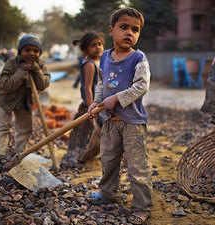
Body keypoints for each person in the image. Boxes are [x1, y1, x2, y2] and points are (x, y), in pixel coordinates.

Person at [87, 7, 152, 225]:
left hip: (132, 122)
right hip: (109, 122)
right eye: (123, 27)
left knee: (137, 165)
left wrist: (116, 99)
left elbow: (141, 86)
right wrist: (97, 102)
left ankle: (142, 206)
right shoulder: (104, 57)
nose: (130, 33)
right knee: (109, 159)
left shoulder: (138, 58)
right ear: (111, 30)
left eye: (135, 29)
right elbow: (101, 83)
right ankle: (107, 193)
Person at [0, 34, 50, 166]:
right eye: (27, 50)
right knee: (3, 127)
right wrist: (20, 72)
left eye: (35, 51)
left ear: (39, 53)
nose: (32, 53)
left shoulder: (40, 65)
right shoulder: (11, 63)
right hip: (6, 100)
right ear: (20, 51)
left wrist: (36, 70)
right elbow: (6, 85)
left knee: (25, 128)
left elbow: (43, 85)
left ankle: (20, 154)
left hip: (24, 102)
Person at [65, 32, 105, 164]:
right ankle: (76, 155)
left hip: (100, 105)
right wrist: (90, 107)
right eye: (93, 45)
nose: (98, 47)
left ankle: (89, 154)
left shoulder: (100, 62)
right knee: (83, 131)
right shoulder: (89, 64)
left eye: (100, 44)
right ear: (85, 49)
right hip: (91, 105)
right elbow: (87, 87)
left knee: (97, 131)